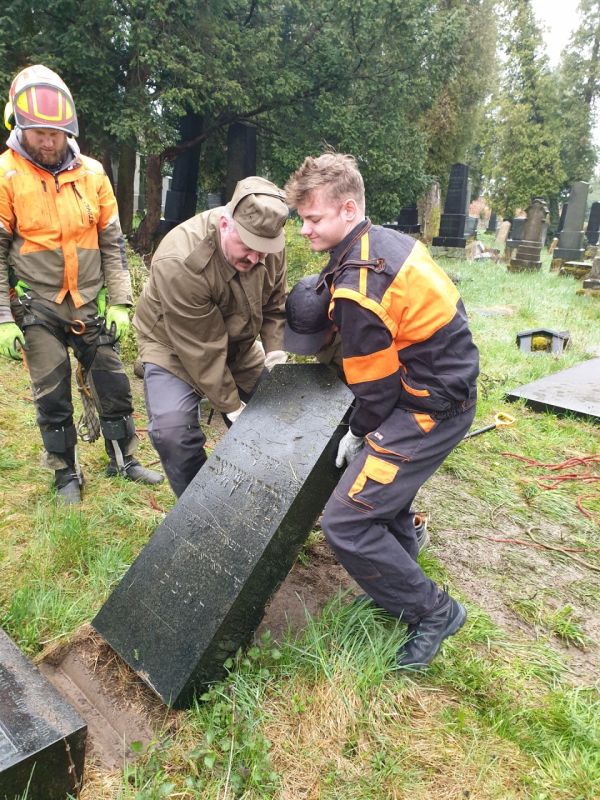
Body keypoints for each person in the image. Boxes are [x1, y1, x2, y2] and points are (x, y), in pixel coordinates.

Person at [283, 153, 479, 670]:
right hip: (441, 382)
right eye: (302, 219)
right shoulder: (381, 242)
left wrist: (359, 435)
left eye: (313, 218)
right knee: (385, 499)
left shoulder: (358, 287)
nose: (304, 229)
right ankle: (399, 586)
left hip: (430, 406)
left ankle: (434, 613)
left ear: (348, 209)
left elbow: (374, 391)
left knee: (347, 520)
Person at [0, 64, 163, 504]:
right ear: (18, 127)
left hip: (89, 301)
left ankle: (123, 460)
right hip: (37, 304)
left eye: (56, 133)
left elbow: (113, 244)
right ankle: (65, 473)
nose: (48, 142)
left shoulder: (92, 173)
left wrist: (121, 302)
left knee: (114, 384)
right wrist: (3, 318)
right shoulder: (6, 175)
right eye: (39, 133)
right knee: (52, 394)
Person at [133, 176, 289, 498]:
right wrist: (232, 407)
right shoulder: (180, 260)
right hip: (173, 345)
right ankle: (201, 507)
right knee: (174, 433)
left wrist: (275, 354)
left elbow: (275, 305)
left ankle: (261, 498)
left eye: (264, 251)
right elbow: (203, 350)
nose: (256, 259)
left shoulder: (268, 244)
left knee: (275, 414)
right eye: (248, 247)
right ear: (225, 224)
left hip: (238, 343)